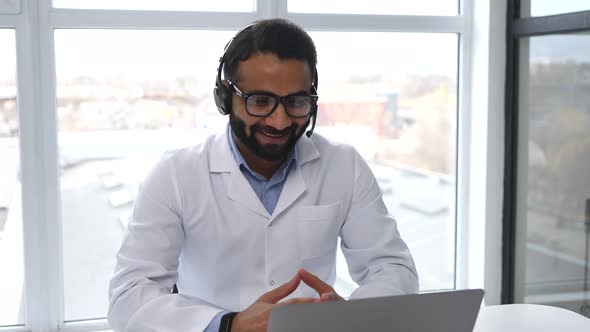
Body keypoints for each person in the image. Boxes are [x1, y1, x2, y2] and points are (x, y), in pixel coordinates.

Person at [108, 18, 418, 332]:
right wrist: (229, 325)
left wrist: (351, 318)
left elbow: (391, 267)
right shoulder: (175, 175)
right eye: (260, 101)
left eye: (296, 102)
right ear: (226, 96)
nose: (280, 121)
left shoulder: (344, 166)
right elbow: (129, 297)